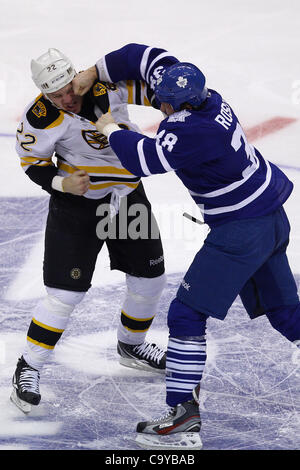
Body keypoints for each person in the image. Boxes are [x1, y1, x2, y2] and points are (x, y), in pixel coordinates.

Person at [73, 43, 300, 450]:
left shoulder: (191, 130)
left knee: (185, 314)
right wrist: (95, 70)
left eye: (162, 104)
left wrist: (108, 127)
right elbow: (147, 57)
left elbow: (143, 159)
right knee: (285, 313)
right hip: (271, 217)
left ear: (175, 106)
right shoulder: (207, 97)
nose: (158, 107)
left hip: (240, 231)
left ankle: (182, 416)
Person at [11, 47, 170, 414]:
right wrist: (62, 184)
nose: (67, 99)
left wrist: (176, 108)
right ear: (43, 93)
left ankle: (132, 345)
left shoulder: (106, 86)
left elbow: (157, 93)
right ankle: (28, 367)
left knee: (149, 280)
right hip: (77, 205)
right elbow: (33, 163)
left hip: (126, 196)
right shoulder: (40, 118)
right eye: (55, 95)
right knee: (64, 295)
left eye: (69, 88)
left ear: (75, 76)